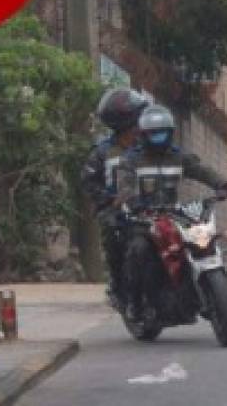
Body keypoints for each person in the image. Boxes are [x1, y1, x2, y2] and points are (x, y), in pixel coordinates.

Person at [116, 104, 227, 322]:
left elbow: (202, 171)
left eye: (162, 132)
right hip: (142, 218)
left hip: (173, 215)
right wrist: (132, 201)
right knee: (139, 249)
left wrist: (225, 185)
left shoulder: (178, 156)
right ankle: (134, 302)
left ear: (170, 133)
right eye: (153, 133)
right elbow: (124, 184)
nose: (158, 137)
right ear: (144, 135)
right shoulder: (131, 159)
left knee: (199, 241)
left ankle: (201, 292)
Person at [81, 87, 149, 312]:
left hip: (151, 206)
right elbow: (89, 183)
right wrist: (109, 200)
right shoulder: (102, 153)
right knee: (113, 234)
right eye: (137, 118)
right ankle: (119, 286)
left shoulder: (150, 146)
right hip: (117, 210)